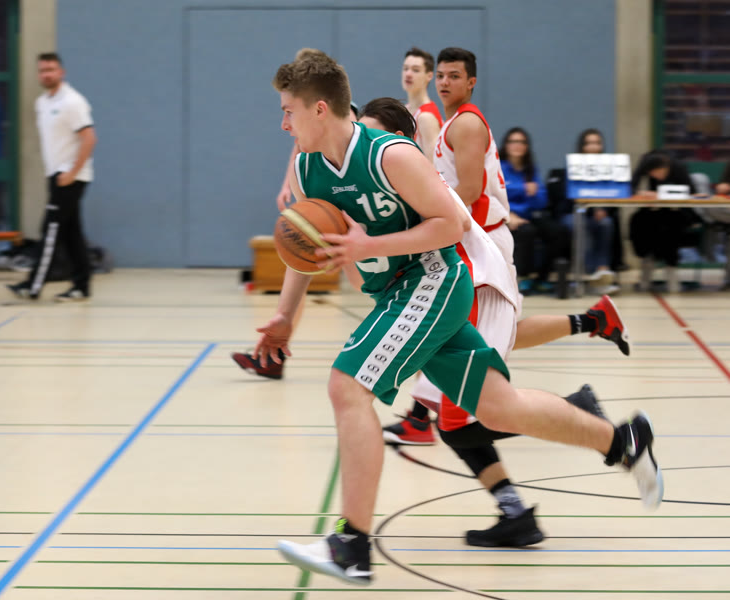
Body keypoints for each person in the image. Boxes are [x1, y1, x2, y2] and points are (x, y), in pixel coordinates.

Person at [264, 48, 662, 586]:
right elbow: (310, 251)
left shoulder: (390, 155)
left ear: (318, 109)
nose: (283, 123)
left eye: (288, 111)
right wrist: (284, 317)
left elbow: (451, 224)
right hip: (397, 294)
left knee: (347, 385)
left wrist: (369, 246)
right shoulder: (309, 169)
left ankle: (352, 544)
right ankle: (621, 441)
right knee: (498, 408)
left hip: (433, 280)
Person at [360, 97, 617, 547]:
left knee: (463, 418)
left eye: (373, 135)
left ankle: (581, 418)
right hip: (459, 285)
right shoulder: (393, 181)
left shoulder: (432, 165)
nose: (367, 144)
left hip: (474, 281)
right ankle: (517, 509)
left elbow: (457, 219)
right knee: (459, 420)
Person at [383, 50, 626, 447]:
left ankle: (425, 418)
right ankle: (593, 327)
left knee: (454, 332)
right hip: (473, 237)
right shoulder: (452, 122)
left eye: (453, 76)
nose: (444, 82)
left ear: (471, 82)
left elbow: (468, 191)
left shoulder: (464, 123)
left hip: (480, 241)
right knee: (494, 333)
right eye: (441, 75)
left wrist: (424, 224)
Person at [232, 102, 359, 379]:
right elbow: (299, 149)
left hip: (355, 213)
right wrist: (287, 185)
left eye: (289, 113)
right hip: (325, 204)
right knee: (301, 263)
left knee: (370, 286)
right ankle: (275, 352)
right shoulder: (307, 137)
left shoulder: (345, 120)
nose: (285, 124)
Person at [7, 52, 97, 302]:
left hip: (71, 176)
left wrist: (72, 172)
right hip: (55, 175)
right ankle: (82, 286)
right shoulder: (42, 103)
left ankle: (32, 286)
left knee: (50, 229)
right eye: (42, 70)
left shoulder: (73, 102)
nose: (46, 74)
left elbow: (89, 138)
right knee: (71, 233)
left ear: (61, 72)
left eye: (51, 70)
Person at [548, 128, 621, 290]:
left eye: (597, 143)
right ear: (582, 146)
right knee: (579, 223)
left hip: (597, 214)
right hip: (572, 212)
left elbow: (612, 194)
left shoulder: (608, 168)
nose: (593, 147)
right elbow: (567, 197)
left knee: (606, 223)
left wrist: (603, 209)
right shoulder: (572, 167)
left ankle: (602, 270)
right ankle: (589, 273)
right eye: (589, 143)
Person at [501, 126, 570, 294]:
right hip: (506, 215)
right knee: (527, 232)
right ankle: (523, 277)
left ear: (526, 146)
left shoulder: (530, 169)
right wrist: (523, 189)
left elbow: (541, 199)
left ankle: (542, 277)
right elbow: (498, 192)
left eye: (521, 142)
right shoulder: (498, 167)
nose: (517, 145)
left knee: (558, 231)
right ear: (506, 145)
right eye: (513, 141)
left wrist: (530, 194)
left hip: (530, 213)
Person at [629, 150, 702, 293]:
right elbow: (632, 186)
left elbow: (692, 192)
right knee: (638, 221)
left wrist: (665, 194)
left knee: (670, 227)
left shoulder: (678, 167)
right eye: (651, 173)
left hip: (676, 210)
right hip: (652, 209)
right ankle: (647, 262)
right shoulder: (645, 163)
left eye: (658, 172)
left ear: (666, 166)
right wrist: (641, 193)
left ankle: (671, 270)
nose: (655, 176)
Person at [401, 46, 443, 159]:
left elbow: (433, 165)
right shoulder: (404, 110)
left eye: (415, 70)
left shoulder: (426, 117)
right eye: (405, 68)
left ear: (429, 76)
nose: (408, 74)